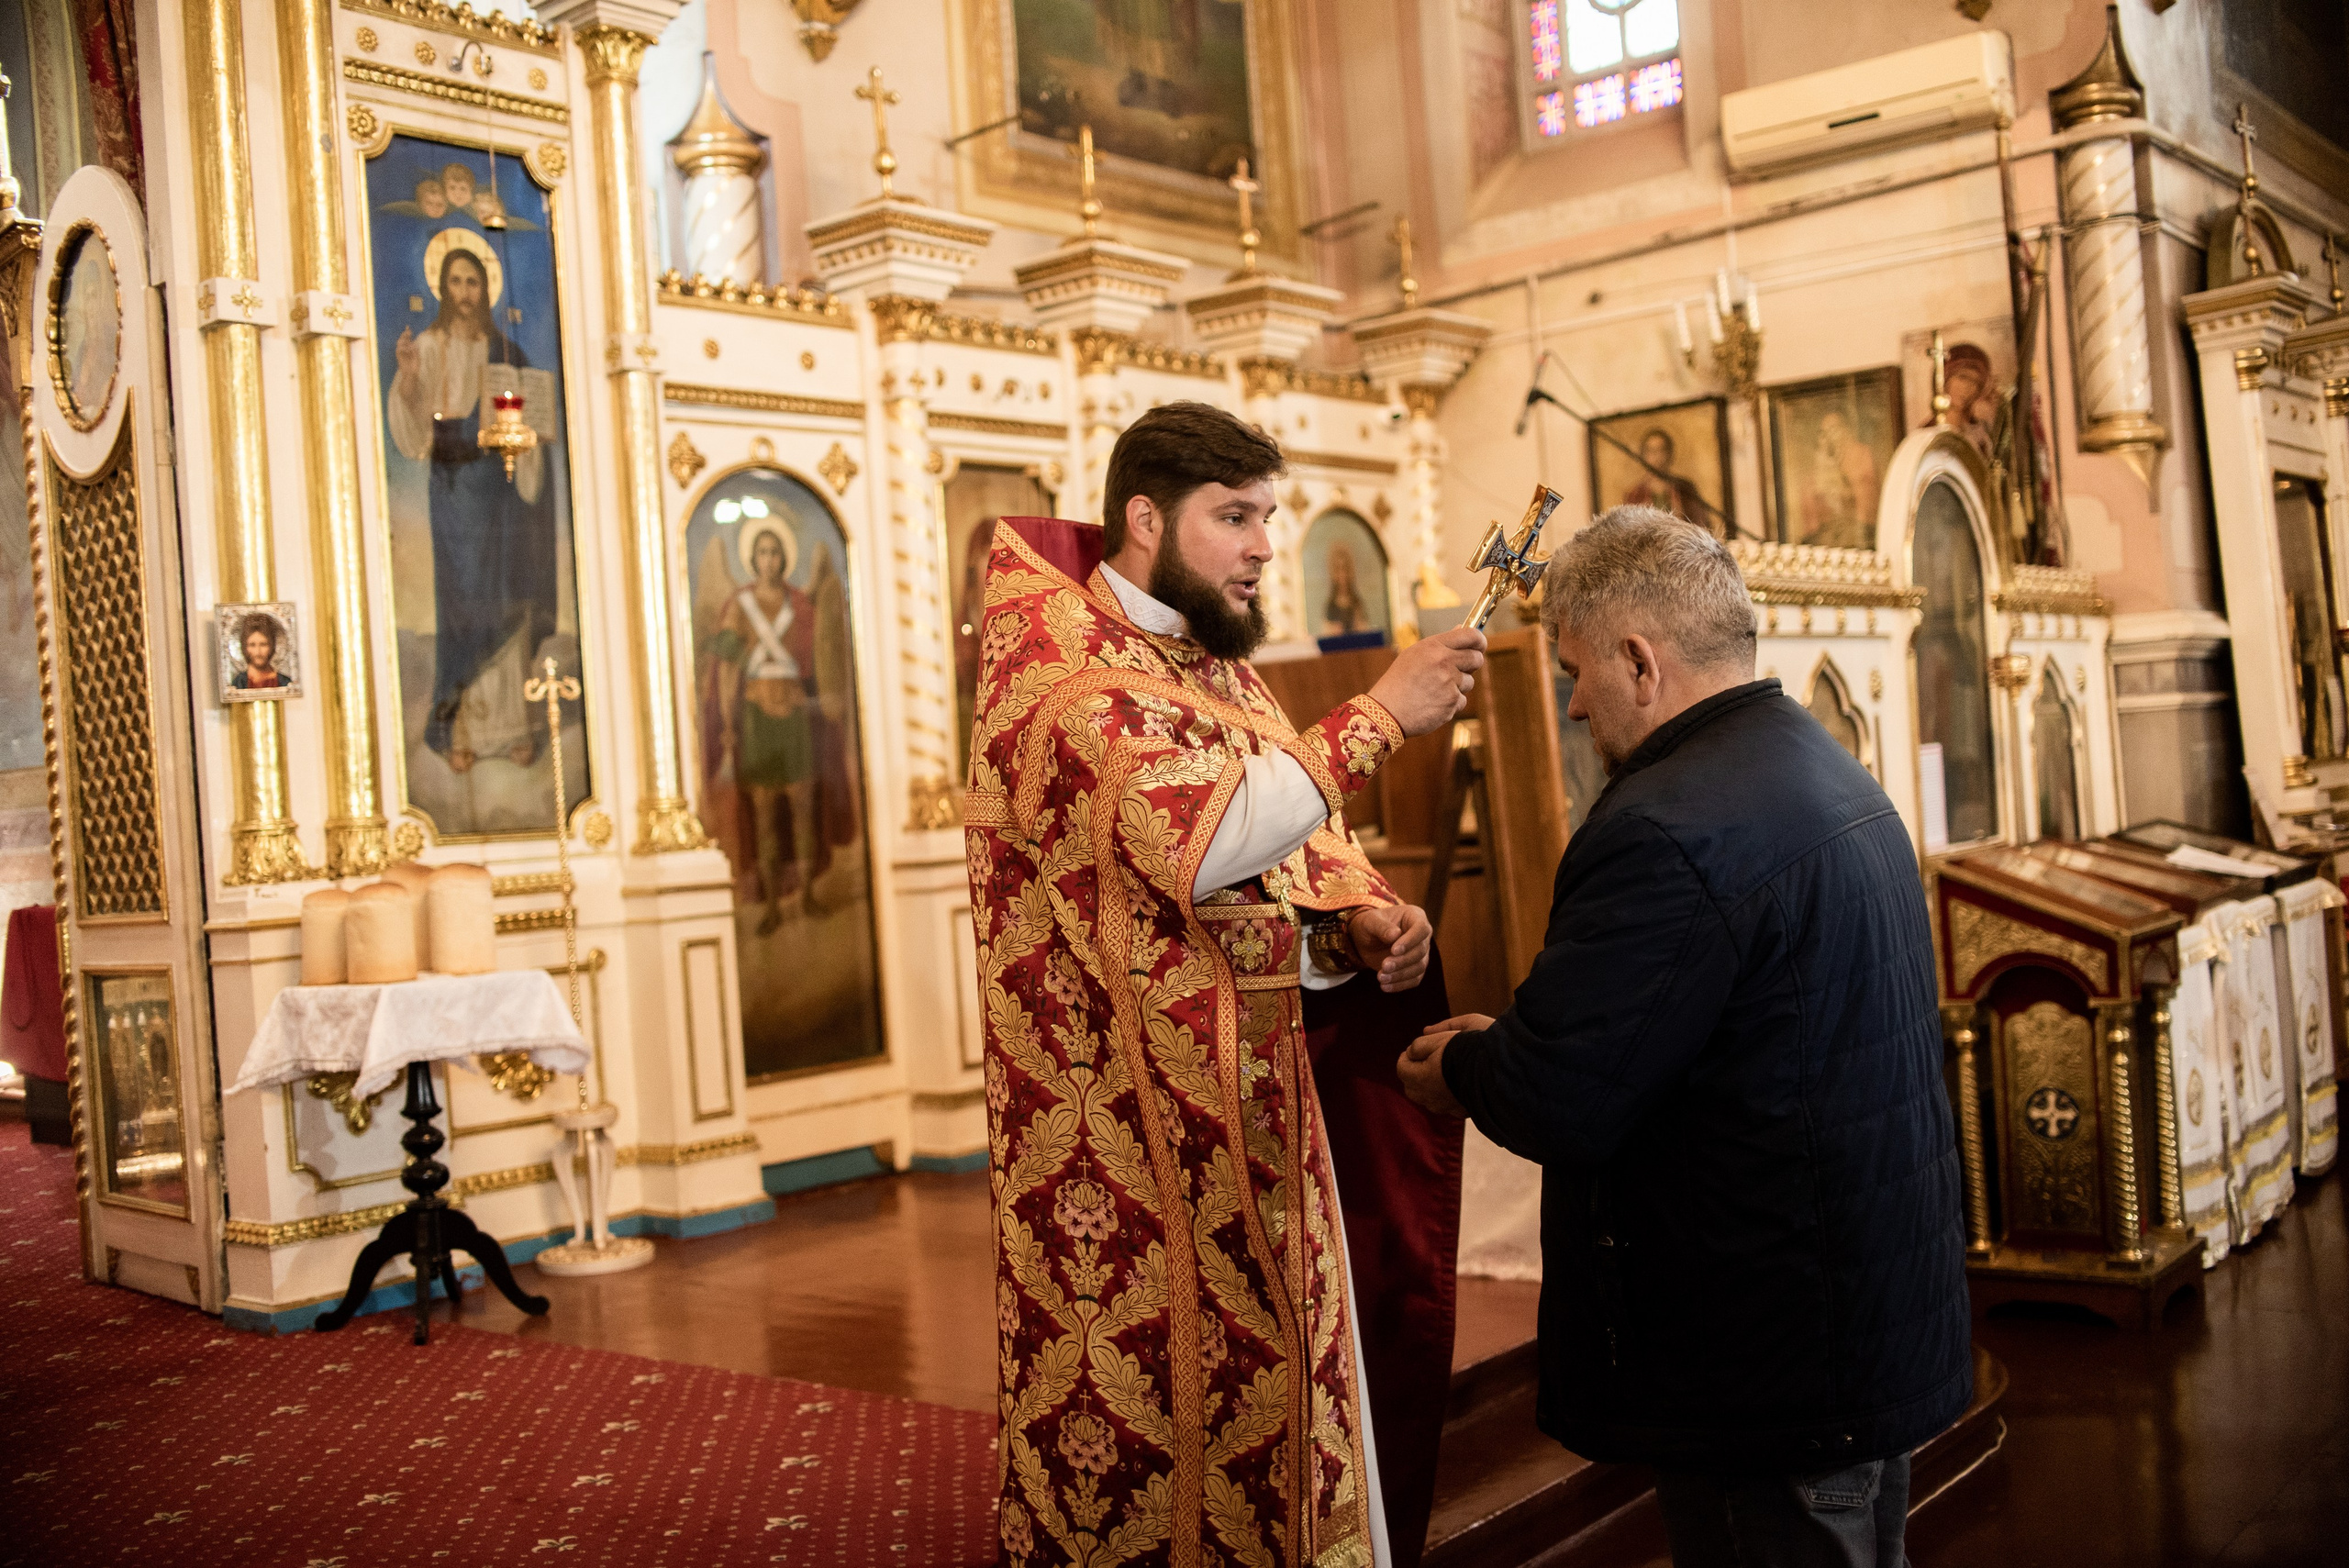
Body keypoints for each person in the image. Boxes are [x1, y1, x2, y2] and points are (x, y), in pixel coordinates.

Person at [1396, 506, 1970, 1568]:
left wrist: (1467, 1066)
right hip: (1856, 1317)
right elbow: (1703, 1029)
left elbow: (1568, 1094)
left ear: (1638, 659)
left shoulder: (1664, 824)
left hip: (1769, 1353)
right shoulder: (1826, 769)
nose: (1574, 703)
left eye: (1576, 671)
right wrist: (1522, 1041)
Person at [966, 401, 1485, 1568]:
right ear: (1146, 518)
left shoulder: (1219, 668)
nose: (1262, 545)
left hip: (1253, 1109)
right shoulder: (1062, 669)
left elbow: (1289, 843)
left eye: (1268, 516)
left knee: (1290, 1376)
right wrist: (1381, 715)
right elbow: (1196, 842)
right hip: (1123, 1134)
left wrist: (1357, 923)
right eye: (1235, 516)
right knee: (1155, 1401)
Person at [387, 243, 558, 773]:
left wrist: (529, 438)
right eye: (457, 282)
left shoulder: (505, 352)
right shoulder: (428, 346)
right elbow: (414, 433)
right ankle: (456, 727)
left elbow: (531, 424)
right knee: (464, 603)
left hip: (499, 488)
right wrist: (408, 376)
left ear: (486, 291)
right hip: (455, 490)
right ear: (443, 287)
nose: (465, 293)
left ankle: (512, 728)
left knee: (505, 595)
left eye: (474, 283)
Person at [1620, 428, 1709, 531]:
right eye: (1652, 451)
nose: (1657, 457)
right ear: (1644, 455)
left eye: (1661, 450)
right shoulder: (1635, 495)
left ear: (1669, 454)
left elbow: (1699, 524)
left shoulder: (1685, 489)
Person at [228, 612, 287, 692]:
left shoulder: (284, 682)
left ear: (272, 646)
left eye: (263, 644)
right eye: (252, 645)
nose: (258, 652)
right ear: (245, 647)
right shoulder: (239, 683)